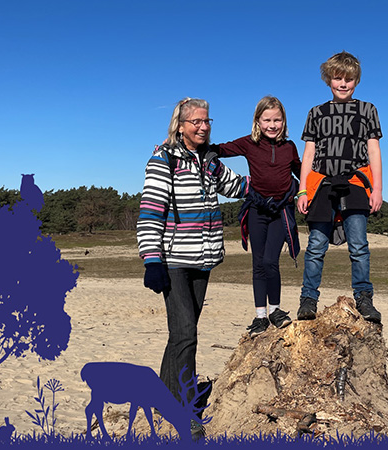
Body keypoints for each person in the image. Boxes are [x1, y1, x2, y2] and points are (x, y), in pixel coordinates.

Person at [137, 97, 249, 440]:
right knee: (186, 333)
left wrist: (281, 185)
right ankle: (184, 411)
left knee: (181, 333)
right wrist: (151, 259)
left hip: (204, 260)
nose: (203, 127)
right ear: (180, 125)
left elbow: (238, 186)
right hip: (172, 261)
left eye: (207, 121)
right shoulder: (164, 159)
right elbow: (151, 208)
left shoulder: (209, 163)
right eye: (196, 121)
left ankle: (162, 394)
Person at [296, 51, 383, 324]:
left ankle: (364, 298)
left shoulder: (367, 110)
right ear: (328, 80)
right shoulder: (316, 113)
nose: (343, 84)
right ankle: (308, 300)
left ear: (356, 80)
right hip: (321, 183)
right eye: (337, 78)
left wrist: (377, 189)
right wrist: (302, 189)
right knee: (315, 246)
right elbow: (308, 154)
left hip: (356, 182)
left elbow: (374, 150)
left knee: (358, 246)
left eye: (349, 79)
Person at [214, 96, 302, 338]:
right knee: (258, 263)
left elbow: (300, 169)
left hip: (280, 210)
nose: (272, 125)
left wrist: (313, 181)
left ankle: (275, 310)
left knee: (270, 262)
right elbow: (221, 149)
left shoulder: (289, 147)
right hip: (257, 209)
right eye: (267, 120)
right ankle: (260, 315)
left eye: (277, 120)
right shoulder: (248, 144)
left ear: (284, 121)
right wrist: (190, 143)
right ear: (257, 121)